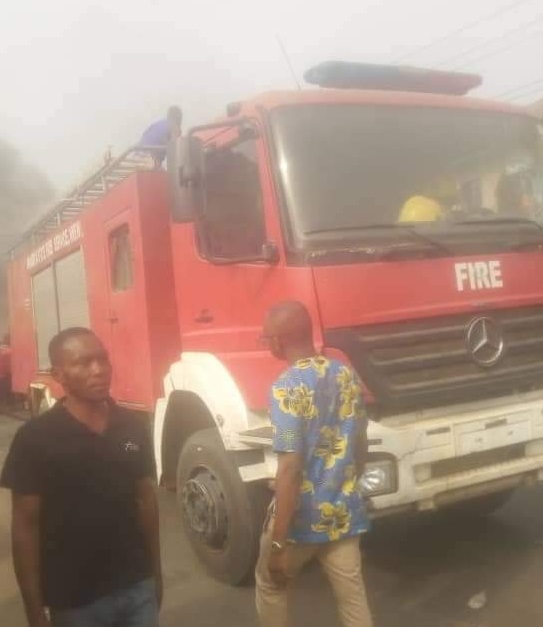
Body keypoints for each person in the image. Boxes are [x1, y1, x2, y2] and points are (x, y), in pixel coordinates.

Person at [1, 327, 162, 627]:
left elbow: (145, 501)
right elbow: (25, 527)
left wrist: (156, 573)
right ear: (58, 375)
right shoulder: (35, 439)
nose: (98, 370)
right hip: (75, 602)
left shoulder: (131, 428)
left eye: (103, 359)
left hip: (137, 587)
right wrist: (34, 610)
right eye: (83, 363)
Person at [255, 301, 374, 627]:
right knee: (353, 598)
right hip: (343, 513)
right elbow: (359, 444)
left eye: (267, 339)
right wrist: (343, 482)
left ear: (278, 342)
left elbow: (291, 467)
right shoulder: (346, 375)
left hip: (301, 520)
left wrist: (278, 542)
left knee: (271, 585)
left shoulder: (286, 389)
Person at [0, 333, 12, 407]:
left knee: (3, 390)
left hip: (3, 373)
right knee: (7, 389)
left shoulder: (4, 350)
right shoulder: (8, 350)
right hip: (6, 373)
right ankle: (7, 404)